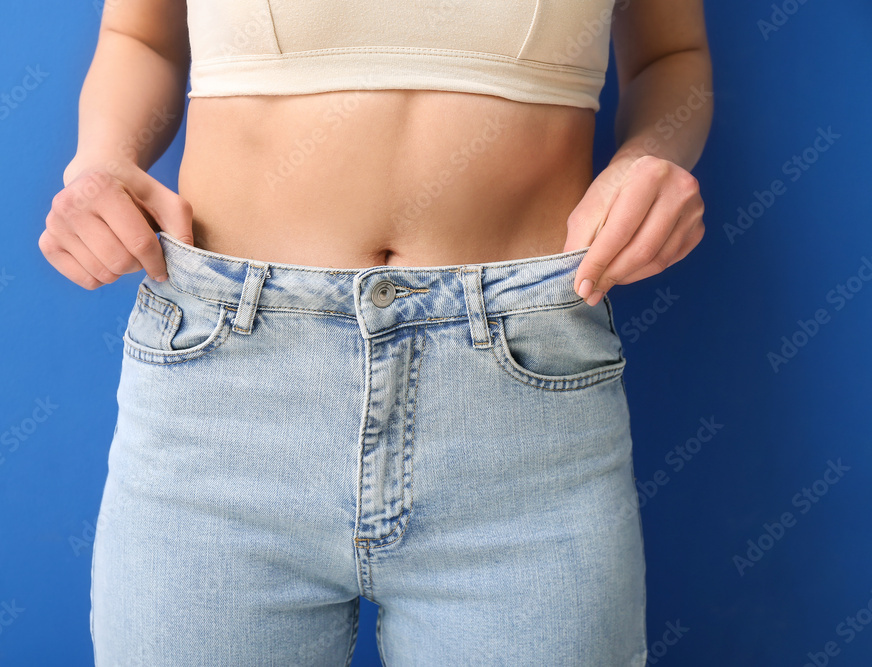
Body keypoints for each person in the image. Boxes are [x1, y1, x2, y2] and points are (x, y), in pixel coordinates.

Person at [40, 0, 711, 664]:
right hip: (224, 392)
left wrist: (648, 161)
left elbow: (668, 57)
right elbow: (141, 35)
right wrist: (101, 159)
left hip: (525, 408)